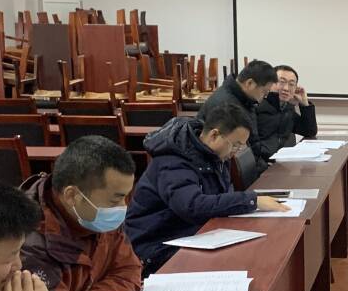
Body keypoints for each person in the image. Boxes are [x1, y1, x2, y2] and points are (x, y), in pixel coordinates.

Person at [21, 136, 187, 291]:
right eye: (115, 200)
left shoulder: (93, 215)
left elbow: (129, 272)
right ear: (72, 195)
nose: (123, 207)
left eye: (126, 197)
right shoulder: (27, 244)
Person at [125, 104, 290, 276]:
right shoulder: (173, 161)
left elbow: (222, 195)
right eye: (235, 145)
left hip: (192, 233)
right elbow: (192, 206)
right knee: (237, 260)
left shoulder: (214, 156)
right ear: (214, 135)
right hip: (157, 245)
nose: (235, 152)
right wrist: (251, 200)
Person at [201, 59, 282, 187]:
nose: (264, 97)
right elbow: (234, 154)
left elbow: (252, 144)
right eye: (264, 92)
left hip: (245, 170)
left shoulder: (245, 100)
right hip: (223, 175)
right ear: (250, 83)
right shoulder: (227, 104)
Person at [240, 64, 318, 170]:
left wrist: (304, 104)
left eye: (291, 84)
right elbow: (250, 148)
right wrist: (265, 167)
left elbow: (309, 131)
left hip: (283, 166)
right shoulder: (256, 108)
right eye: (281, 82)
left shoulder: (287, 108)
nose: (286, 88)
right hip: (262, 169)